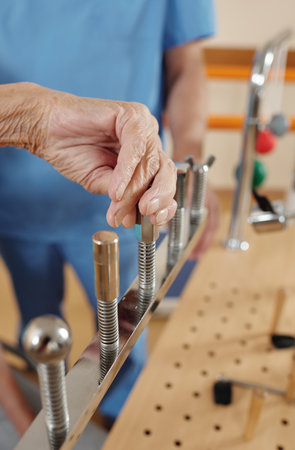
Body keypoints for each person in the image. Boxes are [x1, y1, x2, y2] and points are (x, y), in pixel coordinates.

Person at [0, 0, 218, 427]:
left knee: (124, 337)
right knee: (39, 331)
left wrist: (189, 155)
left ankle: (120, 419)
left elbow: (187, 63)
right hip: (14, 205)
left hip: (123, 204)